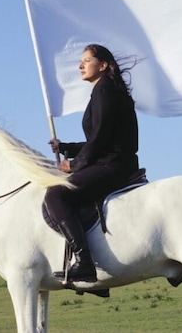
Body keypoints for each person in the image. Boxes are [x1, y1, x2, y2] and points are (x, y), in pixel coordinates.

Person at [45, 44, 140, 282]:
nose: (80, 65)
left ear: (103, 65)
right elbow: (101, 137)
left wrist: (74, 165)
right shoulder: (105, 90)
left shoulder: (104, 91)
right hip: (114, 160)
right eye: (81, 61)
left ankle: (84, 261)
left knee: (56, 195)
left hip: (113, 166)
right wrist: (66, 148)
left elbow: (98, 140)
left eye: (87, 60)